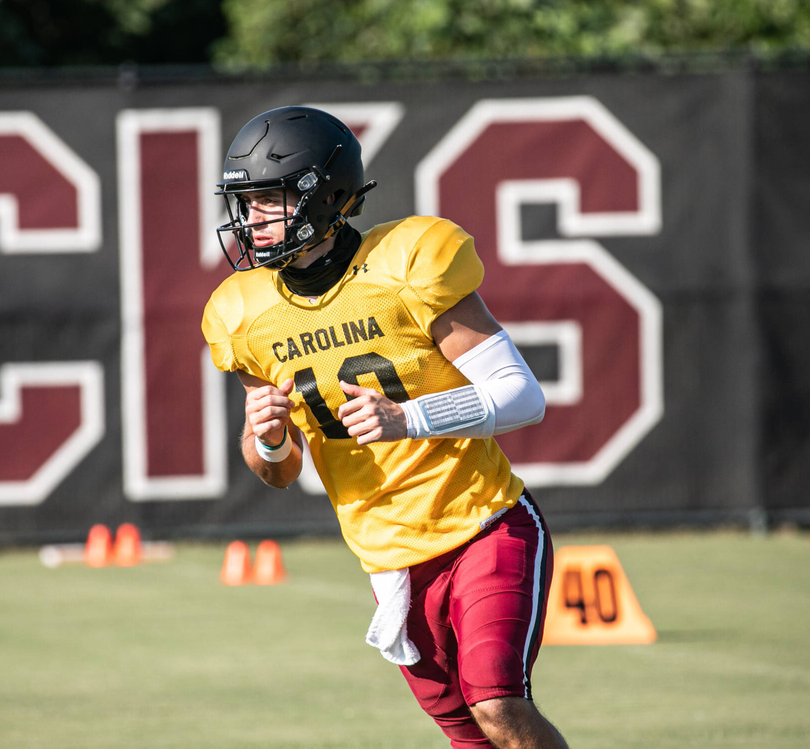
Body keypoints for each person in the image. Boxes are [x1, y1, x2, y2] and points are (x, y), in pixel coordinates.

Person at [202, 106, 569, 749]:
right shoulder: (243, 312)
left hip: (482, 523)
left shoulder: (407, 262)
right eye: (246, 202)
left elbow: (521, 395)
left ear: (326, 197)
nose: (251, 219)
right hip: (387, 557)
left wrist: (409, 418)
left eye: (269, 200)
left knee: (498, 707)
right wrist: (268, 439)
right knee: (469, 737)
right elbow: (279, 473)